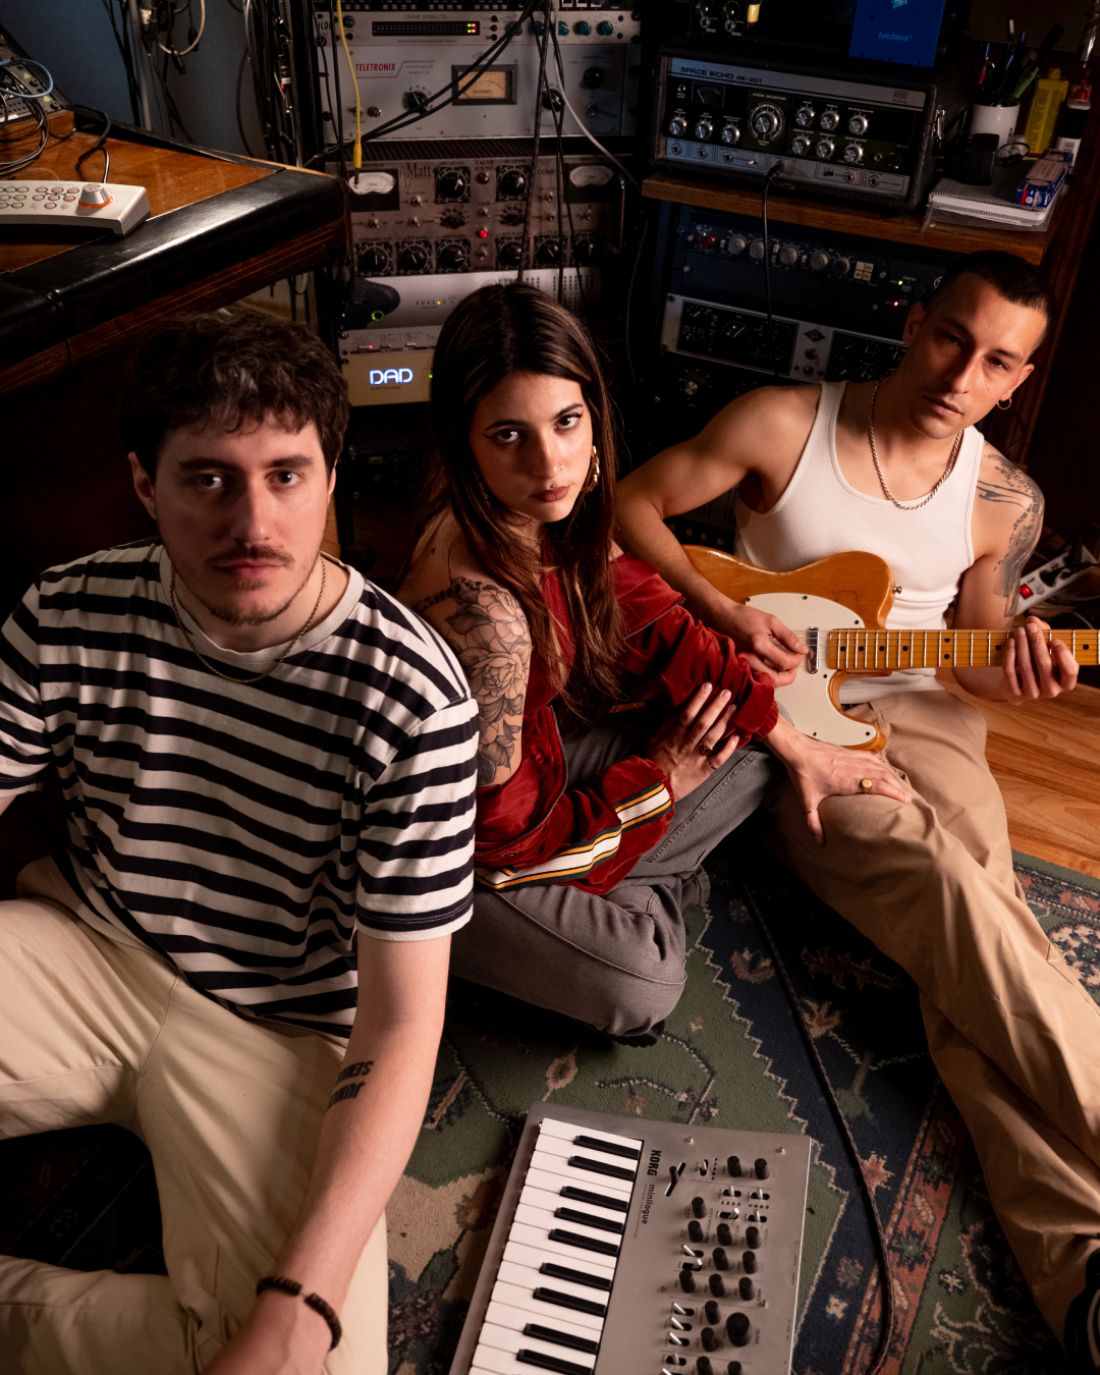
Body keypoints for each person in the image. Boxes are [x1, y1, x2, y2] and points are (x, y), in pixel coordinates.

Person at [616, 250, 1100, 1368]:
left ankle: (1083, 1276)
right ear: (915, 320)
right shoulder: (781, 422)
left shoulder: (1005, 498)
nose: (961, 377)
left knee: (974, 926)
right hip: (794, 728)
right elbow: (632, 504)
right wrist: (719, 612)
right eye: (952, 339)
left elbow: (976, 656)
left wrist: (1020, 668)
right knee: (946, 891)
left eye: (996, 363)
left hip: (929, 712)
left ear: (1019, 380)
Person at [0, 310, 479, 1375]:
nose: (253, 521)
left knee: (315, 1359)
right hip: (85, 949)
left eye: (285, 475)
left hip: (280, 1027)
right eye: (208, 479)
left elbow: (404, 1020)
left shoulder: (414, 697)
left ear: (330, 476)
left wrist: (298, 1306)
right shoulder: (63, 610)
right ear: (145, 485)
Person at [398, 281, 907, 1041]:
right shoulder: (485, 618)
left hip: (539, 772)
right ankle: (639, 887)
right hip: (448, 853)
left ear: (592, 416)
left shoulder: (550, 507)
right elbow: (510, 849)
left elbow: (667, 632)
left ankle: (618, 873)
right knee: (642, 981)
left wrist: (802, 748)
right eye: (508, 435)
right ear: (463, 440)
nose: (549, 461)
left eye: (567, 421)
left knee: (753, 741)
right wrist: (660, 784)